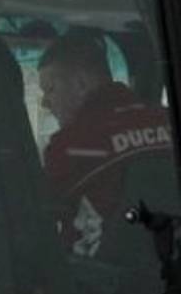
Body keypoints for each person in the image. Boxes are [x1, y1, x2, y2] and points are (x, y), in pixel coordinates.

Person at [39, 31, 172, 259]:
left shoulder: (70, 146)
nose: (44, 103)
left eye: (50, 89)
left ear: (81, 84)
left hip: (102, 283)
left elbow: (37, 211)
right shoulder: (168, 120)